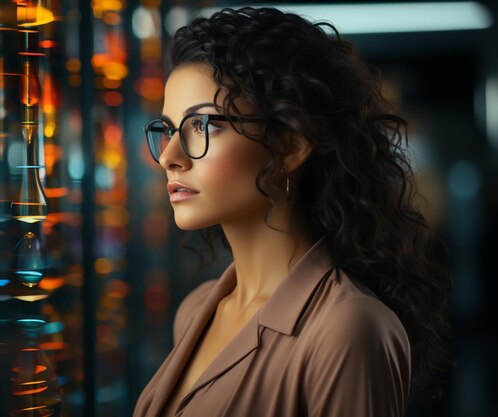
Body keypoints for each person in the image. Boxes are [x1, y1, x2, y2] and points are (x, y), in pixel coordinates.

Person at [134, 6, 453, 417]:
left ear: (290, 146)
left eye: (204, 125)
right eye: (168, 131)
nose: (170, 158)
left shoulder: (348, 329)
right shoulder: (197, 310)